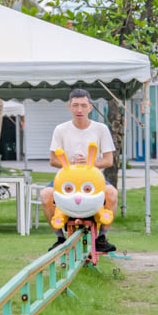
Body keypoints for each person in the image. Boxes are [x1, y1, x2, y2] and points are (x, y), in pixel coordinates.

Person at [41, 89, 118, 252]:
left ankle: (102, 238)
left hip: (94, 180)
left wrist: (90, 164)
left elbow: (108, 160)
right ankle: (59, 237)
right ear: (69, 107)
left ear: (90, 107)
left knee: (112, 193)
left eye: (83, 105)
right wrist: (71, 164)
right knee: (45, 195)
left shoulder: (101, 129)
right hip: (66, 180)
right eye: (75, 105)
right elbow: (53, 159)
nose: (79, 110)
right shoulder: (61, 129)